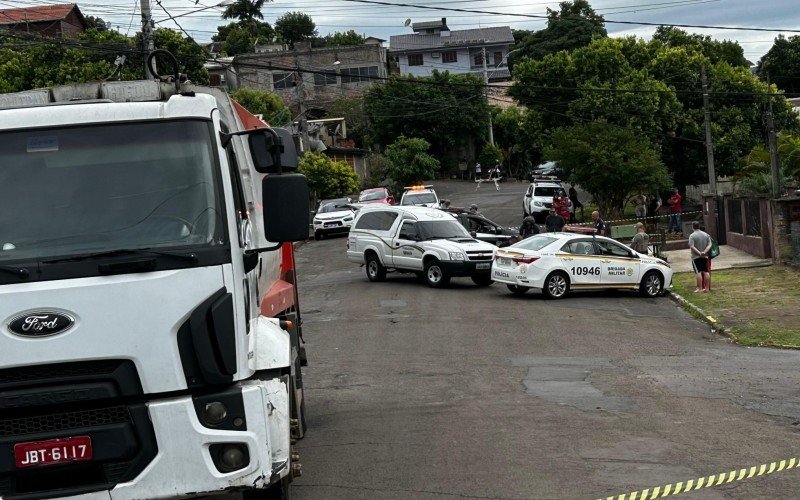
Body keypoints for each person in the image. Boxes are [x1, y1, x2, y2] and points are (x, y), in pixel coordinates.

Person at [688, 221, 712, 292]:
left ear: (693, 227)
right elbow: (709, 244)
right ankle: (707, 288)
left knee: (698, 272)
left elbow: (692, 246)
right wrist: (704, 252)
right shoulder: (706, 235)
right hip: (705, 256)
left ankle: (699, 288)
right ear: (699, 226)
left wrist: (699, 253)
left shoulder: (692, 236)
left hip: (696, 257)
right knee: (706, 271)